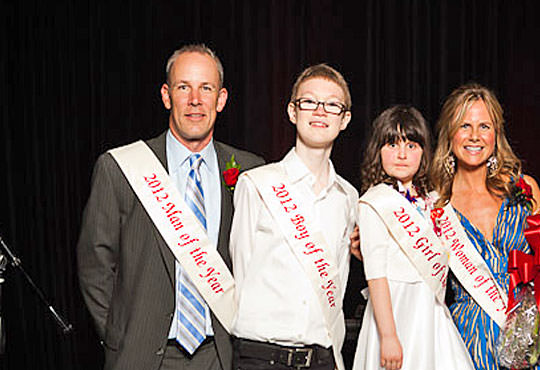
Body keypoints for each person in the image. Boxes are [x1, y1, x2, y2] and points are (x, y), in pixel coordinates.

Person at [77, 44, 264, 370]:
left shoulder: (249, 171)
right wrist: (120, 335)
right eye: (183, 87)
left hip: (221, 356)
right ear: (166, 96)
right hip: (142, 356)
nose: (195, 100)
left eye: (206, 88)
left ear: (220, 100)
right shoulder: (120, 168)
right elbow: (95, 265)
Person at [430, 82, 540, 370]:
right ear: (449, 134)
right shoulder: (433, 202)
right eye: (464, 126)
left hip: (527, 341)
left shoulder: (523, 189)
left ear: (496, 134)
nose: (474, 136)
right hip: (464, 343)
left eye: (485, 126)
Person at [228, 63, 358, 370]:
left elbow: (338, 282)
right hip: (260, 357)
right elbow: (241, 271)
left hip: (321, 359)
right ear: (292, 111)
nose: (320, 111)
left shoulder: (348, 197)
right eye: (309, 101)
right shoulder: (257, 184)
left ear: (345, 119)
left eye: (332, 104)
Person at [351, 106, 475, 370]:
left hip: (430, 312)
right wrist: (388, 337)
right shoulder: (374, 203)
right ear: (378, 151)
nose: (402, 154)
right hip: (393, 313)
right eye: (392, 144)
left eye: (411, 144)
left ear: (423, 151)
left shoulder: (432, 200)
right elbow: (375, 275)